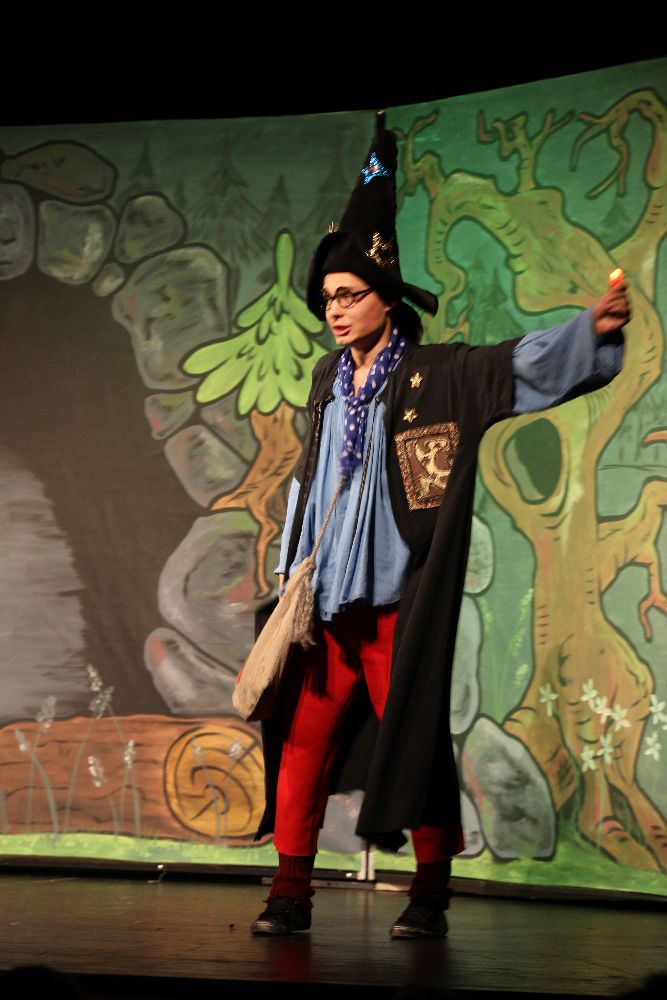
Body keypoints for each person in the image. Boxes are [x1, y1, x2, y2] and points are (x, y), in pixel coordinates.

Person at [249, 113, 630, 938]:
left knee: (415, 747)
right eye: (327, 299)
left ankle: (428, 893)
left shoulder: (437, 376)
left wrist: (588, 332)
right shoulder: (325, 381)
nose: (334, 311)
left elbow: (515, 364)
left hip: (396, 606)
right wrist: (290, 571)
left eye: (349, 296)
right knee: (303, 743)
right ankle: (289, 890)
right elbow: (311, 479)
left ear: (386, 298)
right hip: (326, 607)